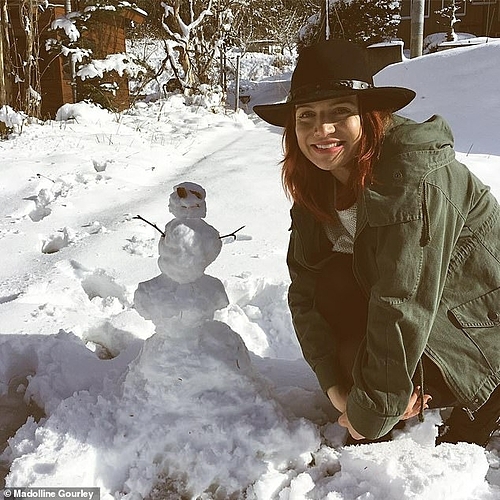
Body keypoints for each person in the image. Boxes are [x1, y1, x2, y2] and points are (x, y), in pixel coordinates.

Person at [253, 39, 500, 446]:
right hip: (425, 310)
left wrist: (371, 413)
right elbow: (305, 290)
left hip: (480, 323)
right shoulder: (318, 181)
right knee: (338, 315)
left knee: (368, 377)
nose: (322, 130)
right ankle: (407, 391)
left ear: (369, 115)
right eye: (307, 116)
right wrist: (335, 386)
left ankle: (484, 391)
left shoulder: (412, 177)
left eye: (339, 112)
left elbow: (403, 299)